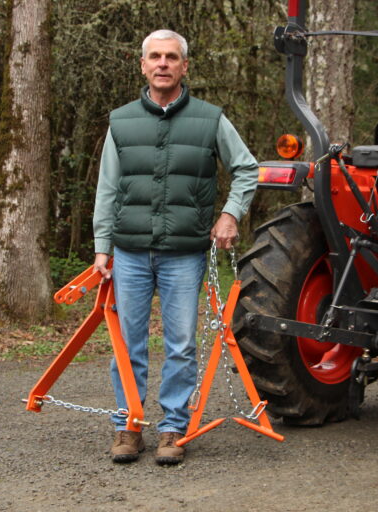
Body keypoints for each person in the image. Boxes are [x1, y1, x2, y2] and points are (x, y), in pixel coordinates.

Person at [92, 29, 259, 465]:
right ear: (142, 64)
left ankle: (172, 429)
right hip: (127, 251)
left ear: (184, 66)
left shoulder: (211, 119)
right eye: (155, 57)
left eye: (171, 57)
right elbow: (107, 188)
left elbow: (247, 169)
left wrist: (229, 214)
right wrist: (101, 246)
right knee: (127, 345)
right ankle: (128, 427)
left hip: (184, 253)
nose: (163, 64)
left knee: (182, 343)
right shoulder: (121, 121)